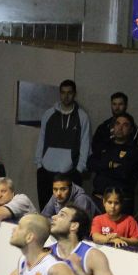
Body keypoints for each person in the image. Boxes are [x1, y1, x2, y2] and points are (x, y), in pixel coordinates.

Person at [35, 79, 91, 207]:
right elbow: (41, 139)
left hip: (71, 173)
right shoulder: (48, 114)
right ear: (60, 94)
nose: (66, 96)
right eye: (63, 92)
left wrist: (79, 169)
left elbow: (85, 144)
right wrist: (39, 165)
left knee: (68, 212)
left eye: (69, 92)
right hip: (46, 172)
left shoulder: (82, 117)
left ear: (75, 94)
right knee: (45, 209)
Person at [87, 113, 138, 214]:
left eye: (125, 125)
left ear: (131, 129)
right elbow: (90, 163)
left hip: (121, 203)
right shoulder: (104, 145)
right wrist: (111, 165)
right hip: (98, 200)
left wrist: (102, 167)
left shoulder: (134, 150)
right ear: (113, 127)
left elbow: (124, 173)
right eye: (117, 124)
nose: (120, 128)